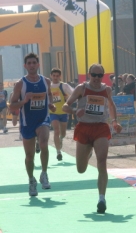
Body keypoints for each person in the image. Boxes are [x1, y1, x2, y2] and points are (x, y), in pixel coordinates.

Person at [62, 63, 122, 213]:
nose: (96, 78)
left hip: (100, 127)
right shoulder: (81, 88)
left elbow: (111, 106)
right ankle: (88, 153)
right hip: (84, 128)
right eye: (94, 75)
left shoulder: (106, 90)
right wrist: (76, 110)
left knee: (102, 162)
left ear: (103, 77)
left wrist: (114, 122)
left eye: (99, 75)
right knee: (81, 169)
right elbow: (65, 106)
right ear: (89, 75)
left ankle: (102, 198)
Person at [9, 53, 56, 196]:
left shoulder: (46, 81)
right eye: (29, 63)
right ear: (25, 66)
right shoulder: (20, 84)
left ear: (38, 64)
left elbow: (49, 95)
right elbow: (12, 105)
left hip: (42, 119)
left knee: (43, 143)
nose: (31, 65)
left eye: (34, 62)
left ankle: (44, 173)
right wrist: (24, 101)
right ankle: (31, 180)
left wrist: (50, 104)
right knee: (29, 156)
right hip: (27, 122)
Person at [50, 68, 74, 161]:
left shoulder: (64, 86)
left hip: (63, 112)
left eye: (57, 76)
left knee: (63, 133)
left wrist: (68, 101)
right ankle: (58, 152)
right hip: (53, 112)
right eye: (54, 76)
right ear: (51, 76)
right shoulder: (48, 86)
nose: (55, 77)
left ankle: (61, 139)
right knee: (56, 130)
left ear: (60, 76)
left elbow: (73, 94)